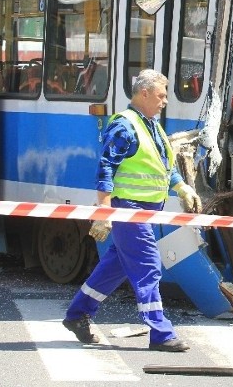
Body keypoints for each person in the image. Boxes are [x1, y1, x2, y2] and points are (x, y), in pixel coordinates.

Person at [62, 69, 203, 352]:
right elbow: (105, 169)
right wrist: (104, 210)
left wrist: (181, 188)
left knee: (115, 266)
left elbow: (164, 166)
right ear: (144, 93)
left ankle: (77, 315)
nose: (165, 101)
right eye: (162, 96)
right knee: (149, 264)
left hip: (144, 211)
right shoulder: (124, 125)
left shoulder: (150, 124)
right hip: (128, 209)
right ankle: (161, 332)